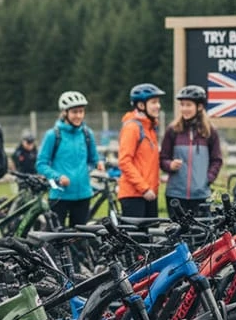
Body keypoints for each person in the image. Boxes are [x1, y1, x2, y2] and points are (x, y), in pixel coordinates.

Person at [36, 92, 105, 227]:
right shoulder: (53, 135)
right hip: (60, 196)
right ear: (64, 112)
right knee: (56, 240)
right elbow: (41, 164)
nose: (78, 115)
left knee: (80, 239)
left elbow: (93, 158)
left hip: (83, 194)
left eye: (81, 111)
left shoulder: (87, 133)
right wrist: (58, 176)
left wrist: (99, 162)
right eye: (74, 112)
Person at [159, 85, 223, 219]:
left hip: (201, 195)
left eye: (188, 105)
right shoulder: (172, 130)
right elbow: (163, 158)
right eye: (182, 105)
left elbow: (216, 159)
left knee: (201, 236)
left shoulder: (210, 132)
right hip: (175, 194)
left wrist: (207, 179)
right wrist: (169, 165)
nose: (184, 109)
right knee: (178, 236)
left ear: (199, 107)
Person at [118, 83, 163, 218]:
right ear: (141, 105)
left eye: (158, 102)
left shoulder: (150, 128)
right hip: (135, 195)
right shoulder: (132, 128)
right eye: (154, 102)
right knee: (137, 239)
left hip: (148, 194)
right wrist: (144, 188)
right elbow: (124, 161)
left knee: (150, 237)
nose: (158, 106)